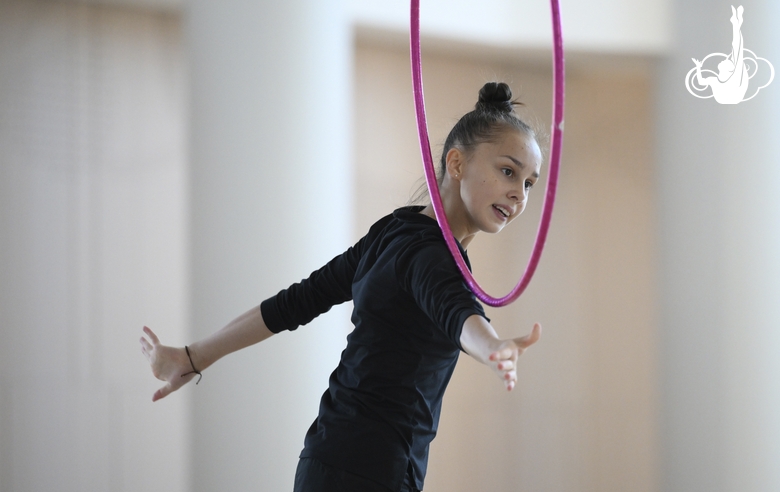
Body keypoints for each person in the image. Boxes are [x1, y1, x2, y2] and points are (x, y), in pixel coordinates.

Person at [140, 81, 543, 492]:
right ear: (456, 163)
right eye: (508, 171)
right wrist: (492, 346)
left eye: (529, 183)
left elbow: (297, 302)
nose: (519, 194)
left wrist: (194, 356)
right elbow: (456, 311)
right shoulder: (432, 256)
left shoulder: (396, 229)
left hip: (326, 458)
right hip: (371, 472)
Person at [692, 5, 748, 104]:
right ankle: (736, 23)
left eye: (728, 61)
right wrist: (698, 67)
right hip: (727, 99)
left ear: (730, 69)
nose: (725, 59)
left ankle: (736, 23)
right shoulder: (714, 80)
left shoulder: (734, 78)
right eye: (728, 60)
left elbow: (737, 49)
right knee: (736, 49)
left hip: (732, 98)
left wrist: (736, 26)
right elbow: (701, 82)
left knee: (736, 49)